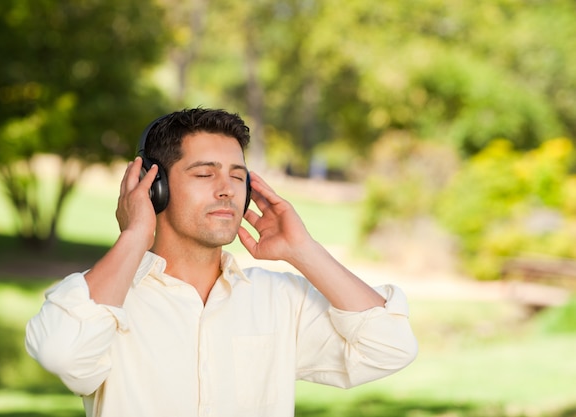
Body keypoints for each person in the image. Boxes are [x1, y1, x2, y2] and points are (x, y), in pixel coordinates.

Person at [25, 108, 417, 417]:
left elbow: (391, 346)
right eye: (204, 173)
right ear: (154, 187)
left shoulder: (278, 299)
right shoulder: (105, 303)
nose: (227, 189)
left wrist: (303, 250)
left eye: (237, 175)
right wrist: (133, 237)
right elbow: (61, 352)